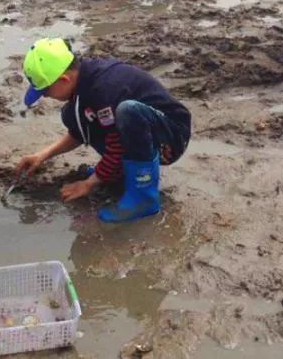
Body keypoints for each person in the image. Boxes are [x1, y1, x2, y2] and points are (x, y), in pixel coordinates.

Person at [16, 38, 191, 222]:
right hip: (137, 128)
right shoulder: (84, 82)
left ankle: (143, 197)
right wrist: (42, 155)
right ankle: (122, 172)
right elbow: (78, 133)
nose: (46, 97)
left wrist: (89, 184)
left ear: (64, 79)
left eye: (46, 92)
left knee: (127, 111)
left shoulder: (104, 88)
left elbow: (117, 145)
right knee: (72, 114)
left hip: (171, 136)